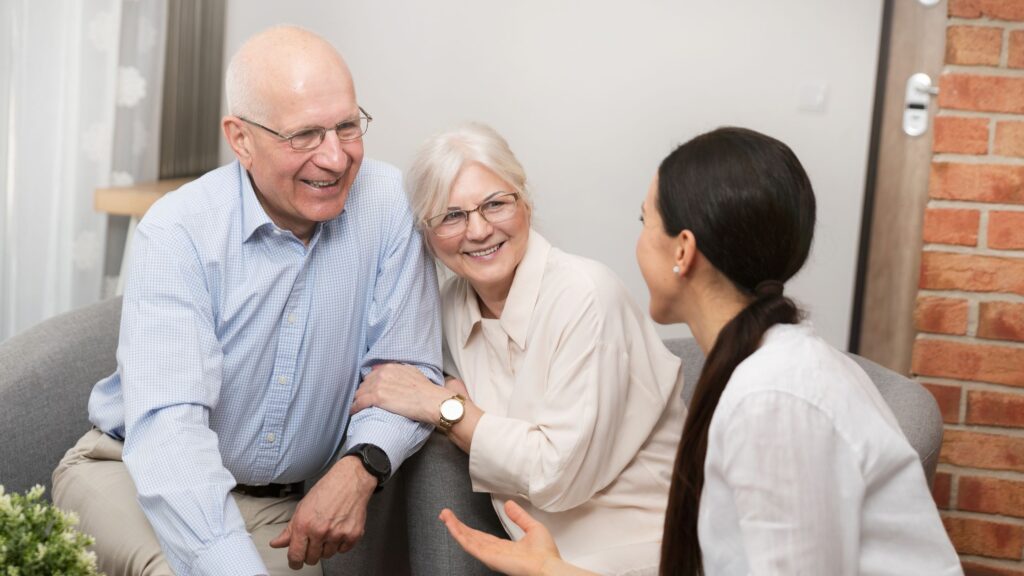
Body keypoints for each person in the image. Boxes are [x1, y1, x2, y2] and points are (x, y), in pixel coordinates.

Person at [436, 127, 964, 576]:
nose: (637, 242)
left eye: (645, 223)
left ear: (682, 251)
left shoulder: (776, 400)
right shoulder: (761, 367)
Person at [51, 26, 443, 576]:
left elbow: (406, 368)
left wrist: (361, 465)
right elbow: (170, 433)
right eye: (304, 135)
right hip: (129, 472)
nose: (335, 158)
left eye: (348, 126)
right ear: (240, 139)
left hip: (274, 503)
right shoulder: (179, 230)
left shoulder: (389, 207)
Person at [350, 123, 688, 575]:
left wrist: (444, 406)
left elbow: (558, 475)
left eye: (495, 204)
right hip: (536, 559)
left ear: (524, 202)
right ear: (427, 235)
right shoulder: (450, 305)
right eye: (451, 216)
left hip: (638, 556)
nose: (479, 229)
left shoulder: (585, 295)